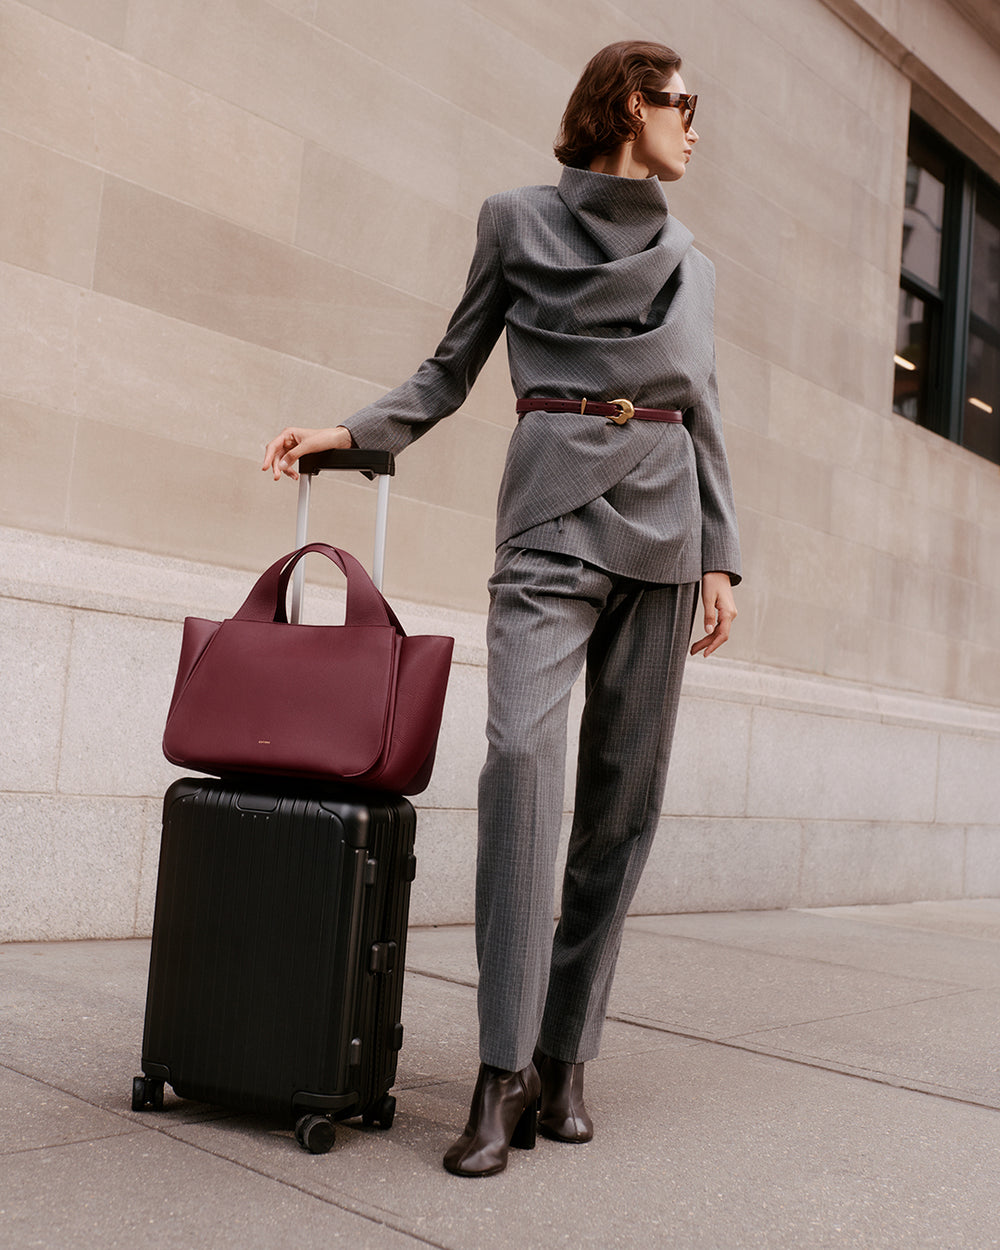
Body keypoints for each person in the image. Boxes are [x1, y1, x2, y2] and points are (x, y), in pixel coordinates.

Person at [262, 40, 741, 1178]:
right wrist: (352, 431)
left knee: (624, 798)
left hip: (669, 531)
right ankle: (499, 1064)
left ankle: (565, 1054)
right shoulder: (514, 219)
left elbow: (703, 406)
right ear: (633, 102)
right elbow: (450, 365)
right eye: (685, 106)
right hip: (548, 519)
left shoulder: (695, 262)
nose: (694, 127)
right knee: (520, 763)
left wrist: (723, 555)